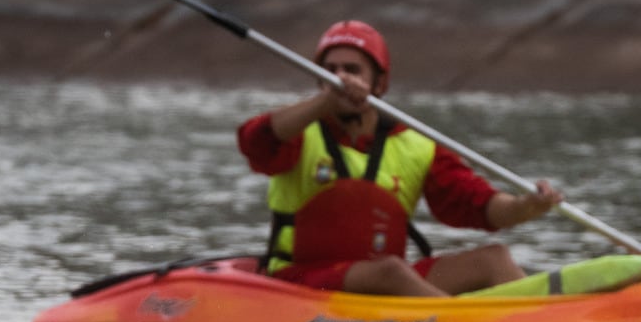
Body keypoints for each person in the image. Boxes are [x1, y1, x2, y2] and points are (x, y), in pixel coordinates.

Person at [236, 19, 567, 297]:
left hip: (383, 278)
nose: (341, 79)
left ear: (379, 83)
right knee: (391, 272)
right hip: (300, 279)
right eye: (330, 71)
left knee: (495, 259)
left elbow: (481, 207)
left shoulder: (415, 144)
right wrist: (324, 102)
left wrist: (527, 206)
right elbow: (254, 141)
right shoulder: (296, 129)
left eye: (352, 70)